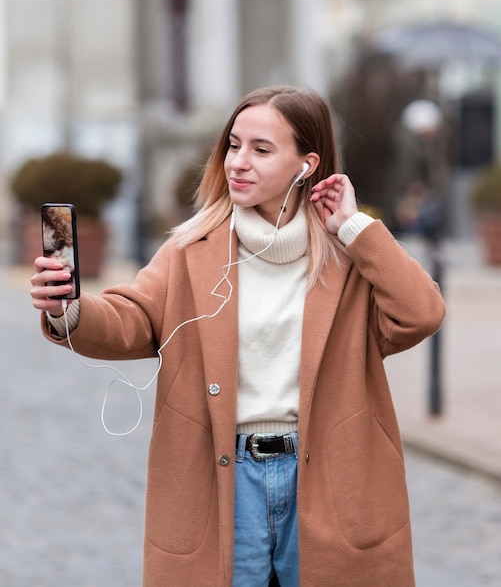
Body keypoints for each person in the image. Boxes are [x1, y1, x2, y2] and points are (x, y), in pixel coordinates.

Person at [30, 85, 446, 587]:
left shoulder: (349, 257)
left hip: (329, 479)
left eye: (261, 149)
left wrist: (356, 226)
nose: (238, 162)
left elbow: (420, 314)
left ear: (306, 164)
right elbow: (132, 318)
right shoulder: (192, 248)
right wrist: (67, 309)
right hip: (220, 476)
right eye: (233, 144)